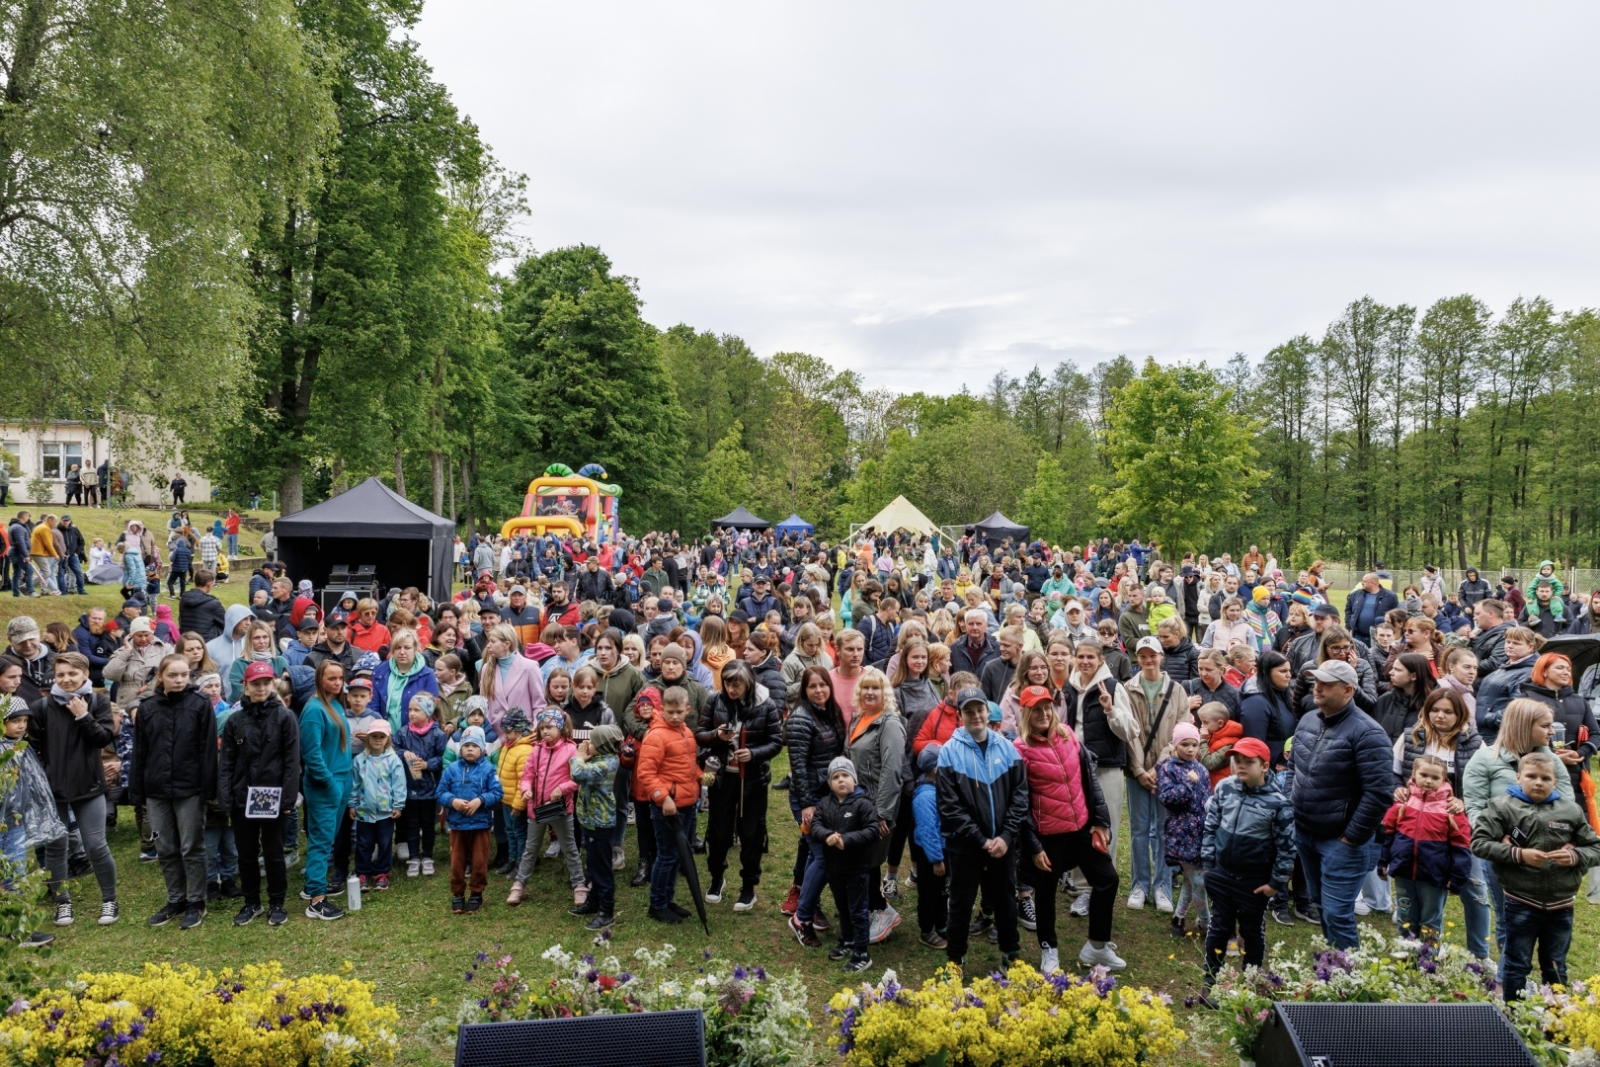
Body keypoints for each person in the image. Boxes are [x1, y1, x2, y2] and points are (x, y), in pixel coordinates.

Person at [1283, 658, 1394, 949]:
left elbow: (1380, 793)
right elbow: (1293, 767)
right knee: (1321, 906)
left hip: (1341, 842)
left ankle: (1348, 983)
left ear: (1347, 691)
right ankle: (1333, 971)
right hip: (1306, 833)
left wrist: (1351, 837)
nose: (1316, 688)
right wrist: (1289, 807)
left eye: (1325, 684)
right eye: (1315, 681)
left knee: (1337, 912)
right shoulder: (1308, 719)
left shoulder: (1368, 733)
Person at [1472, 751, 1600, 999]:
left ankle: (1556, 1022)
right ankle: (1514, 1018)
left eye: (1545, 778)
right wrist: (1518, 854)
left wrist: (1575, 857)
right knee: (1517, 964)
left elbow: (1595, 847)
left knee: (1555, 967)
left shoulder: (1570, 810)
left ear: (1555, 781)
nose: (1538, 782)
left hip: (1561, 905)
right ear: (1518, 777)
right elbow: (1478, 843)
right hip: (1521, 901)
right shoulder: (1502, 807)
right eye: (1531, 776)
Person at [1015, 684, 1122, 973]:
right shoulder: (1020, 750)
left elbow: (1090, 781)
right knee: (1046, 894)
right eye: (1036, 709)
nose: (1043, 713)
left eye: (1047, 707)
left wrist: (1100, 821)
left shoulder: (1068, 735)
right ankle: (1048, 949)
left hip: (1081, 828)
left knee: (1108, 879)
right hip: (1048, 835)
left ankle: (1097, 946)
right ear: (1026, 712)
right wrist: (1034, 846)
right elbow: (1019, 805)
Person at [936, 685, 1030, 969]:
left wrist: (1006, 836)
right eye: (969, 711)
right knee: (961, 904)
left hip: (1003, 844)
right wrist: (980, 839)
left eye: (980, 710)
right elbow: (949, 806)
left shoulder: (1008, 749)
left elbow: (1020, 796)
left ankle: (1010, 954)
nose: (975, 715)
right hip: (965, 845)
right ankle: (955, 961)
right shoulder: (949, 753)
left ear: (988, 712)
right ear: (960, 715)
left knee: (1005, 901)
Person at [28, 651, 119, 927]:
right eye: (60, 675)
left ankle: (109, 899)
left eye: (72, 674)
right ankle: (62, 902)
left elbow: (103, 738)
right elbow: (32, 748)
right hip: (52, 790)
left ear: (84, 674)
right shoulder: (41, 708)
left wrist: (83, 717)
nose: (66, 679)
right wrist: (45, 776)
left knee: (95, 845)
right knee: (56, 847)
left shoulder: (98, 701)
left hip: (89, 787)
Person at [1199, 738, 1294, 999]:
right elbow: (1211, 826)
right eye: (1237, 760)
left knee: (1252, 932)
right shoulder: (1225, 788)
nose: (1240, 765)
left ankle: (1251, 982)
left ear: (1264, 766)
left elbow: (1287, 847)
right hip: (1222, 874)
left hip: (1255, 882)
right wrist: (1208, 867)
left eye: (1248, 762)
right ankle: (1211, 982)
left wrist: (1275, 883)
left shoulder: (1278, 803)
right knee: (1218, 929)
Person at [132, 652, 218, 931]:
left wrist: (208, 788)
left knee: (191, 844)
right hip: (156, 791)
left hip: (190, 789)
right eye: (173, 675)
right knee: (163, 845)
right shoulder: (147, 708)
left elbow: (207, 750)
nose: (179, 679)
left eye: (184, 674)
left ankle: (196, 901)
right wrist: (137, 790)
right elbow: (140, 751)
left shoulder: (200, 704)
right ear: (161, 677)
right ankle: (175, 899)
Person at [218, 660, 299, 927]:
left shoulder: (285, 717)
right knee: (246, 853)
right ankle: (251, 902)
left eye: (266, 683)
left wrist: (288, 798)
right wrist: (226, 798)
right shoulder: (235, 721)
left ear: (272, 684)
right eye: (256, 683)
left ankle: (277, 903)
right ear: (246, 685)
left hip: (272, 795)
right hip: (243, 796)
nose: (261, 688)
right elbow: (227, 762)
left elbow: (291, 761)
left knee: (274, 852)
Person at [697, 659, 782, 911]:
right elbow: (699, 733)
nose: (731, 689)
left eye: (737, 684)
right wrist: (716, 736)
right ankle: (716, 878)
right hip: (722, 778)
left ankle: (748, 888)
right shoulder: (715, 701)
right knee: (719, 830)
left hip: (753, 780)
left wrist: (754, 753)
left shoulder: (766, 705)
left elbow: (776, 741)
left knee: (751, 833)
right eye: (727, 683)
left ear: (748, 683)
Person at [1122, 635, 1191, 913]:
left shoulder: (1177, 690)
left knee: (1164, 829)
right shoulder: (1128, 688)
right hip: (1137, 770)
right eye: (1143, 656)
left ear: (1162, 656)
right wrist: (1139, 770)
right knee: (1139, 830)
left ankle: (1162, 886)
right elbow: (1129, 733)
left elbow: (1181, 733)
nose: (1148, 660)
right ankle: (1139, 884)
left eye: (1153, 655)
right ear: (1137, 658)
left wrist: (1159, 767)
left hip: (1168, 771)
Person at [1380, 753, 1472, 943]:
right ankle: (1406, 960)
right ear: (1414, 774)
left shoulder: (1450, 810)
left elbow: (1462, 846)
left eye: (1435, 777)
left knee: (1430, 922)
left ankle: (1427, 964)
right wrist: (1383, 861)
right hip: (1404, 873)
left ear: (1444, 779)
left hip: (1433, 877)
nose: (1429, 781)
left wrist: (1457, 878)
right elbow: (1389, 834)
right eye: (1424, 775)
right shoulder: (1403, 804)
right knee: (1405, 917)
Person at [785, 666, 847, 941]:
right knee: (823, 856)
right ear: (804, 691)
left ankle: (808, 906)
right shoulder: (801, 718)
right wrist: (807, 804)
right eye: (813, 687)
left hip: (825, 796)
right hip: (807, 798)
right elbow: (797, 765)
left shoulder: (829, 713)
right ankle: (803, 917)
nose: (819, 690)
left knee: (815, 854)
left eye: (823, 685)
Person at [845, 666, 905, 942]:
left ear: (885, 693)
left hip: (875, 807)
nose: (870, 692)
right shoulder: (859, 719)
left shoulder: (890, 723)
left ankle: (881, 910)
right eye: (866, 688)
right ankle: (872, 906)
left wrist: (882, 813)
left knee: (866, 860)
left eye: (876, 688)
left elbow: (892, 771)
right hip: (857, 804)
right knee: (864, 860)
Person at [809, 756, 881, 973]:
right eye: (836, 777)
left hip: (856, 869)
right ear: (830, 782)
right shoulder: (825, 803)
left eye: (845, 776)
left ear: (854, 780)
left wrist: (846, 840)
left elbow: (872, 830)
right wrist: (828, 835)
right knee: (842, 908)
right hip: (834, 869)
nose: (841, 780)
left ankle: (862, 952)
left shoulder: (863, 804)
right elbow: (815, 826)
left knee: (858, 910)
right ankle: (847, 940)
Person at [637, 686, 701, 924]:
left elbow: (687, 767)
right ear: (662, 709)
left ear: (687, 710)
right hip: (667, 807)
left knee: (677, 856)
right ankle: (657, 904)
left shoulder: (686, 733)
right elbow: (646, 773)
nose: (674, 717)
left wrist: (701, 776)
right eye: (670, 712)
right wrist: (663, 798)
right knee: (666, 856)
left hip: (686, 803)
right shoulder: (656, 735)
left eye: (679, 712)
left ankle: (667, 899)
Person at [509, 710, 583, 905]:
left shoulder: (570, 750)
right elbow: (526, 776)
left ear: (559, 727)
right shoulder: (536, 750)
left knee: (570, 848)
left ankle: (579, 885)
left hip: (560, 809)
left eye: (549, 727)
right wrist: (525, 790)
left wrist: (562, 788)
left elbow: (577, 779)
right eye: (542, 728)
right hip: (536, 809)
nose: (545, 731)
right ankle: (519, 885)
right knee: (530, 849)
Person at [299, 660, 352, 921]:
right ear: (320, 679)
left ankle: (313, 884)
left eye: (340, 677)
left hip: (341, 784)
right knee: (321, 842)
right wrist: (330, 785)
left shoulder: (336, 704)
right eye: (332, 678)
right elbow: (312, 755)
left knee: (326, 839)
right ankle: (316, 900)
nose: (338, 682)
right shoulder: (313, 710)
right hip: (325, 787)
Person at [437, 724, 503, 915]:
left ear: (482, 748)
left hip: (480, 824)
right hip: (457, 825)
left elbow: (497, 793)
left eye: (474, 746)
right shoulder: (451, 769)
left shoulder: (489, 769)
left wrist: (479, 801)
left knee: (479, 861)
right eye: (466, 746)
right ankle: (457, 893)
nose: (470, 749)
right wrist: (453, 801)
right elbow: (440, 792)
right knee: (457, 862)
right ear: (461, 749)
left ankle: (476, 892)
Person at [1158, 721, 1212, 939]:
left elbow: (1208, 799)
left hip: (1201, 834)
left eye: (1194, 745)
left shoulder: (1202, 769)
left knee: (1191, 880)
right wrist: (1187, 785)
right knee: (1199, 881)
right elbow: (1167, 799)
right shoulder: (1167, 768)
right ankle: (1208, 923)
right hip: (1181, 834)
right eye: (1185, 745)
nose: (1190, 749)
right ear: (1175, 745)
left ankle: (1178, 919)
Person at [569, 724, 623, 930]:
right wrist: (584, 757)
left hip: (600, 823)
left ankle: (607, 911)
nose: (586, 744)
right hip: (590, 821)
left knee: (601, 869)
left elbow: (577, 773)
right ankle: (593, 901)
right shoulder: (600, 758)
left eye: (591, 741)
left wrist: (578, 756)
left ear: (602, 746)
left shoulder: (606, 764)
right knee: (592, 865)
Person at [349, 717, 407, 892]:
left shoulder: (393, 760)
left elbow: (399, 784)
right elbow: (354, 784)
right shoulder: (359, 760)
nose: (377, 740)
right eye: (373, 736)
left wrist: (398, 805)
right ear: (367, 738)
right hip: (364, 811)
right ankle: (362, 873)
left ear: (387, 739)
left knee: (384, 842)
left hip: (385, 812)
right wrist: (352, 804)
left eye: (381, 736)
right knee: (364, 843)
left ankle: (382, 873)